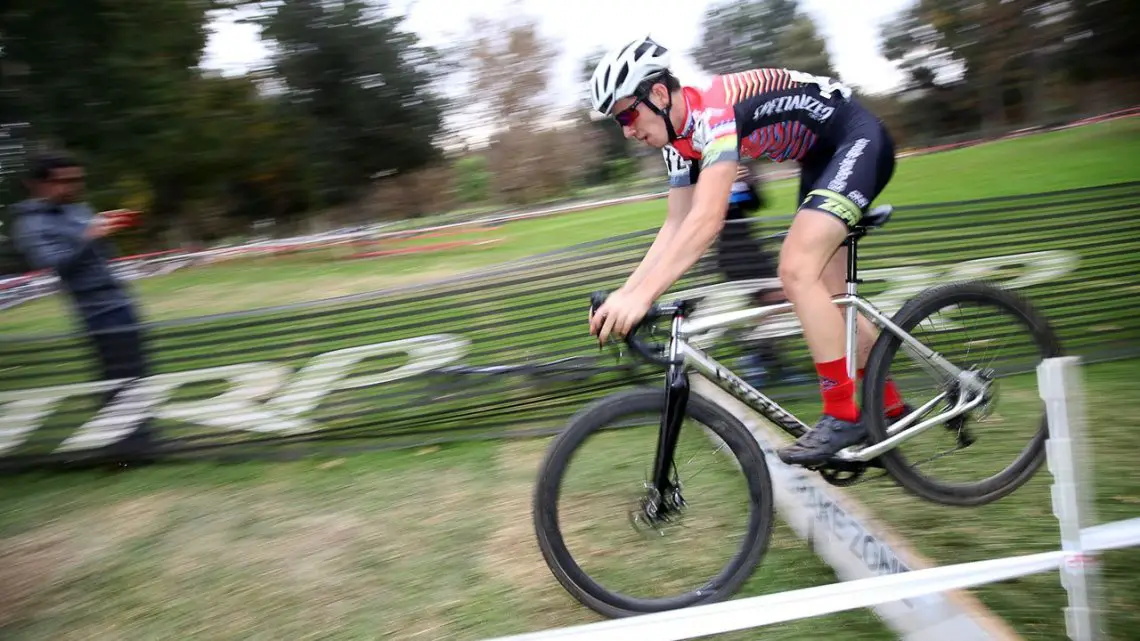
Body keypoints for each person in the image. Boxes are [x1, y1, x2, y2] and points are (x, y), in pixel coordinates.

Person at [586, 35, 907, 467]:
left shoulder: (714, 114)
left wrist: (643, 298)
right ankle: (889, 407)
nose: (626, 130)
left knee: (794, 271)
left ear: (659, 94)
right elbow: (675, 224)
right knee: (829, 299)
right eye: (617, 121)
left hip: (857, 139)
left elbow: (705, 221)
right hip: (820, 159)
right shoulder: (679, 144)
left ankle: (843, 413)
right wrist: (628, 293)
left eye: (627, 113)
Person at [11, 150, 155, 466]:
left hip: (119, 299)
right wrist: (89, 235)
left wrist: (108, 226)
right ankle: (124, 451)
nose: (74, 186)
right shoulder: (30, 225)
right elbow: (54, 264)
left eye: (78, 179)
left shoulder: (77, 209)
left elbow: (98, 254)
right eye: (66, 181)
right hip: (96, 309)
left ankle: (139, 442)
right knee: (117, 378)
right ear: (39, 184)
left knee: (137, 373)